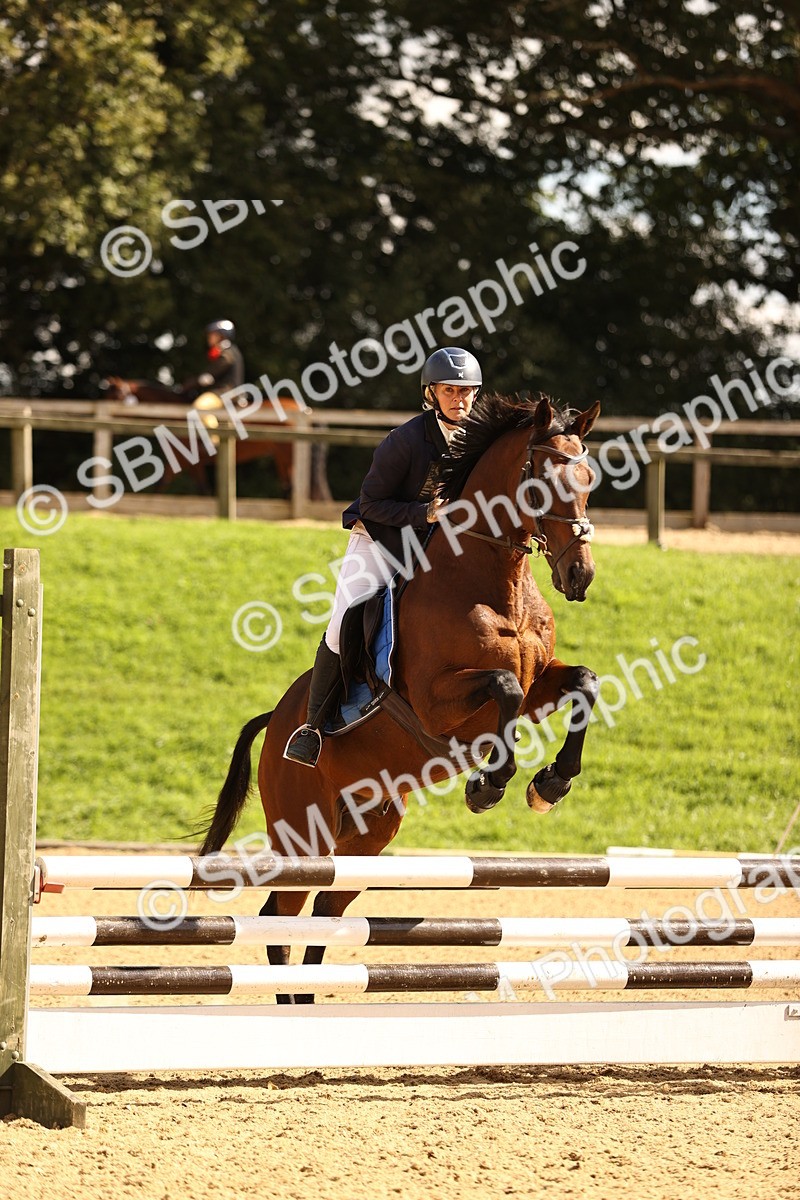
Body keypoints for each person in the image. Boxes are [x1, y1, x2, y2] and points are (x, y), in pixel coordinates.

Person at [284, 346, 483, 767]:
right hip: (379, 538)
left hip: (432, 544)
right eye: (449, 390)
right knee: (342, 623)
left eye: (466, 391)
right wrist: (424, 513)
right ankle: (312, 727)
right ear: (431, 393)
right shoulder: (405, 440)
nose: (459, 399)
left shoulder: (478, 441)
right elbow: (372, 503)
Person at [186, 319, 245, 401]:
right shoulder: (229, 350)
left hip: (226, 393)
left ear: (221, 336)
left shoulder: (227, 353)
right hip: (224, 393)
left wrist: (193, 383)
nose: (208, 338)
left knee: (201, 405)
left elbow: (212, 373)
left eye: (211, 335)